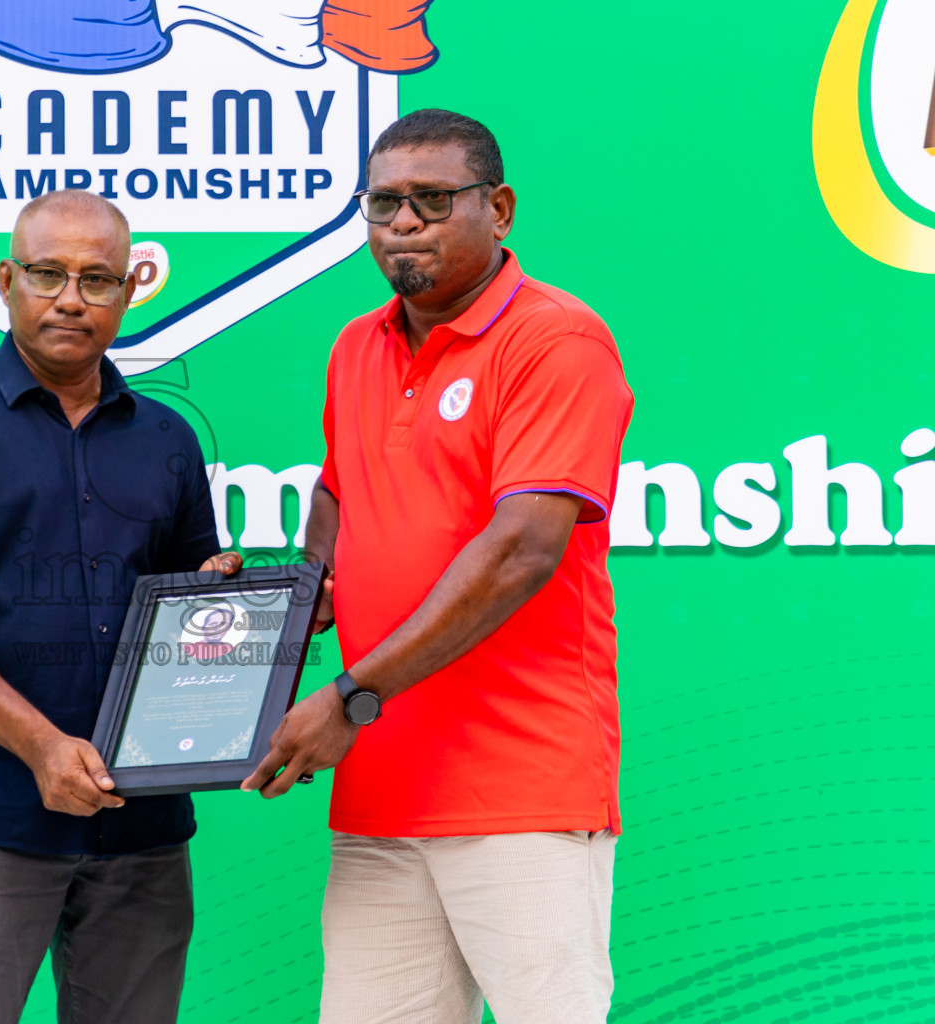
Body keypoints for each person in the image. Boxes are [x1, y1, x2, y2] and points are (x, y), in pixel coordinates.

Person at [243, 109, 635, 1023]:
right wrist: (290, 602)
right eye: (384, 204)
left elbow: (521, 551)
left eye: (431, 200)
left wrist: (348, 697)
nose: (404, 223)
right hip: (382, 791)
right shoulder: (357, 346)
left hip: (520, 787)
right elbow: (340, 499)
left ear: (498, 209)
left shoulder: (556, 341)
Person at [0, 189, 240, 1024]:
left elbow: (184, 613)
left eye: (99, 279)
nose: (72, 297)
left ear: (132, 288)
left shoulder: (166, 438)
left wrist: (238, 612)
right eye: (48, 274)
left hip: (140, 826)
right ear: (7, 280)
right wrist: (41, 747)